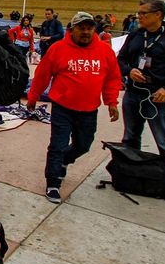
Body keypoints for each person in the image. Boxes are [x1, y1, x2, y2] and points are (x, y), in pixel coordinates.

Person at [27, 12, 123, 203]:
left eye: (89, 28)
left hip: (89, 110)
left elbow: (112, 78)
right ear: (72, 30)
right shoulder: (58, 49)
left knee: (83, 145)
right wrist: (33, 97)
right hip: (63, 108)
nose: (86, 32)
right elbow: (42, 75)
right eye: (81, 28)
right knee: (57, 146)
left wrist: (112, 102)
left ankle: (65, 160)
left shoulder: (105, 51)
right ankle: (53, 182)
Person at [117, 0, 165, 202]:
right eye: (138, 13)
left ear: (158, 14)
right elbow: (121, 59)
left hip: (157, 97)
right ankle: (129, 175)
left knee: (163, 141)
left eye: (143, 13)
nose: (139, 16)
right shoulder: (135, 35)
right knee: (130, 137)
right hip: (134, 94)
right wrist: (129, 70)